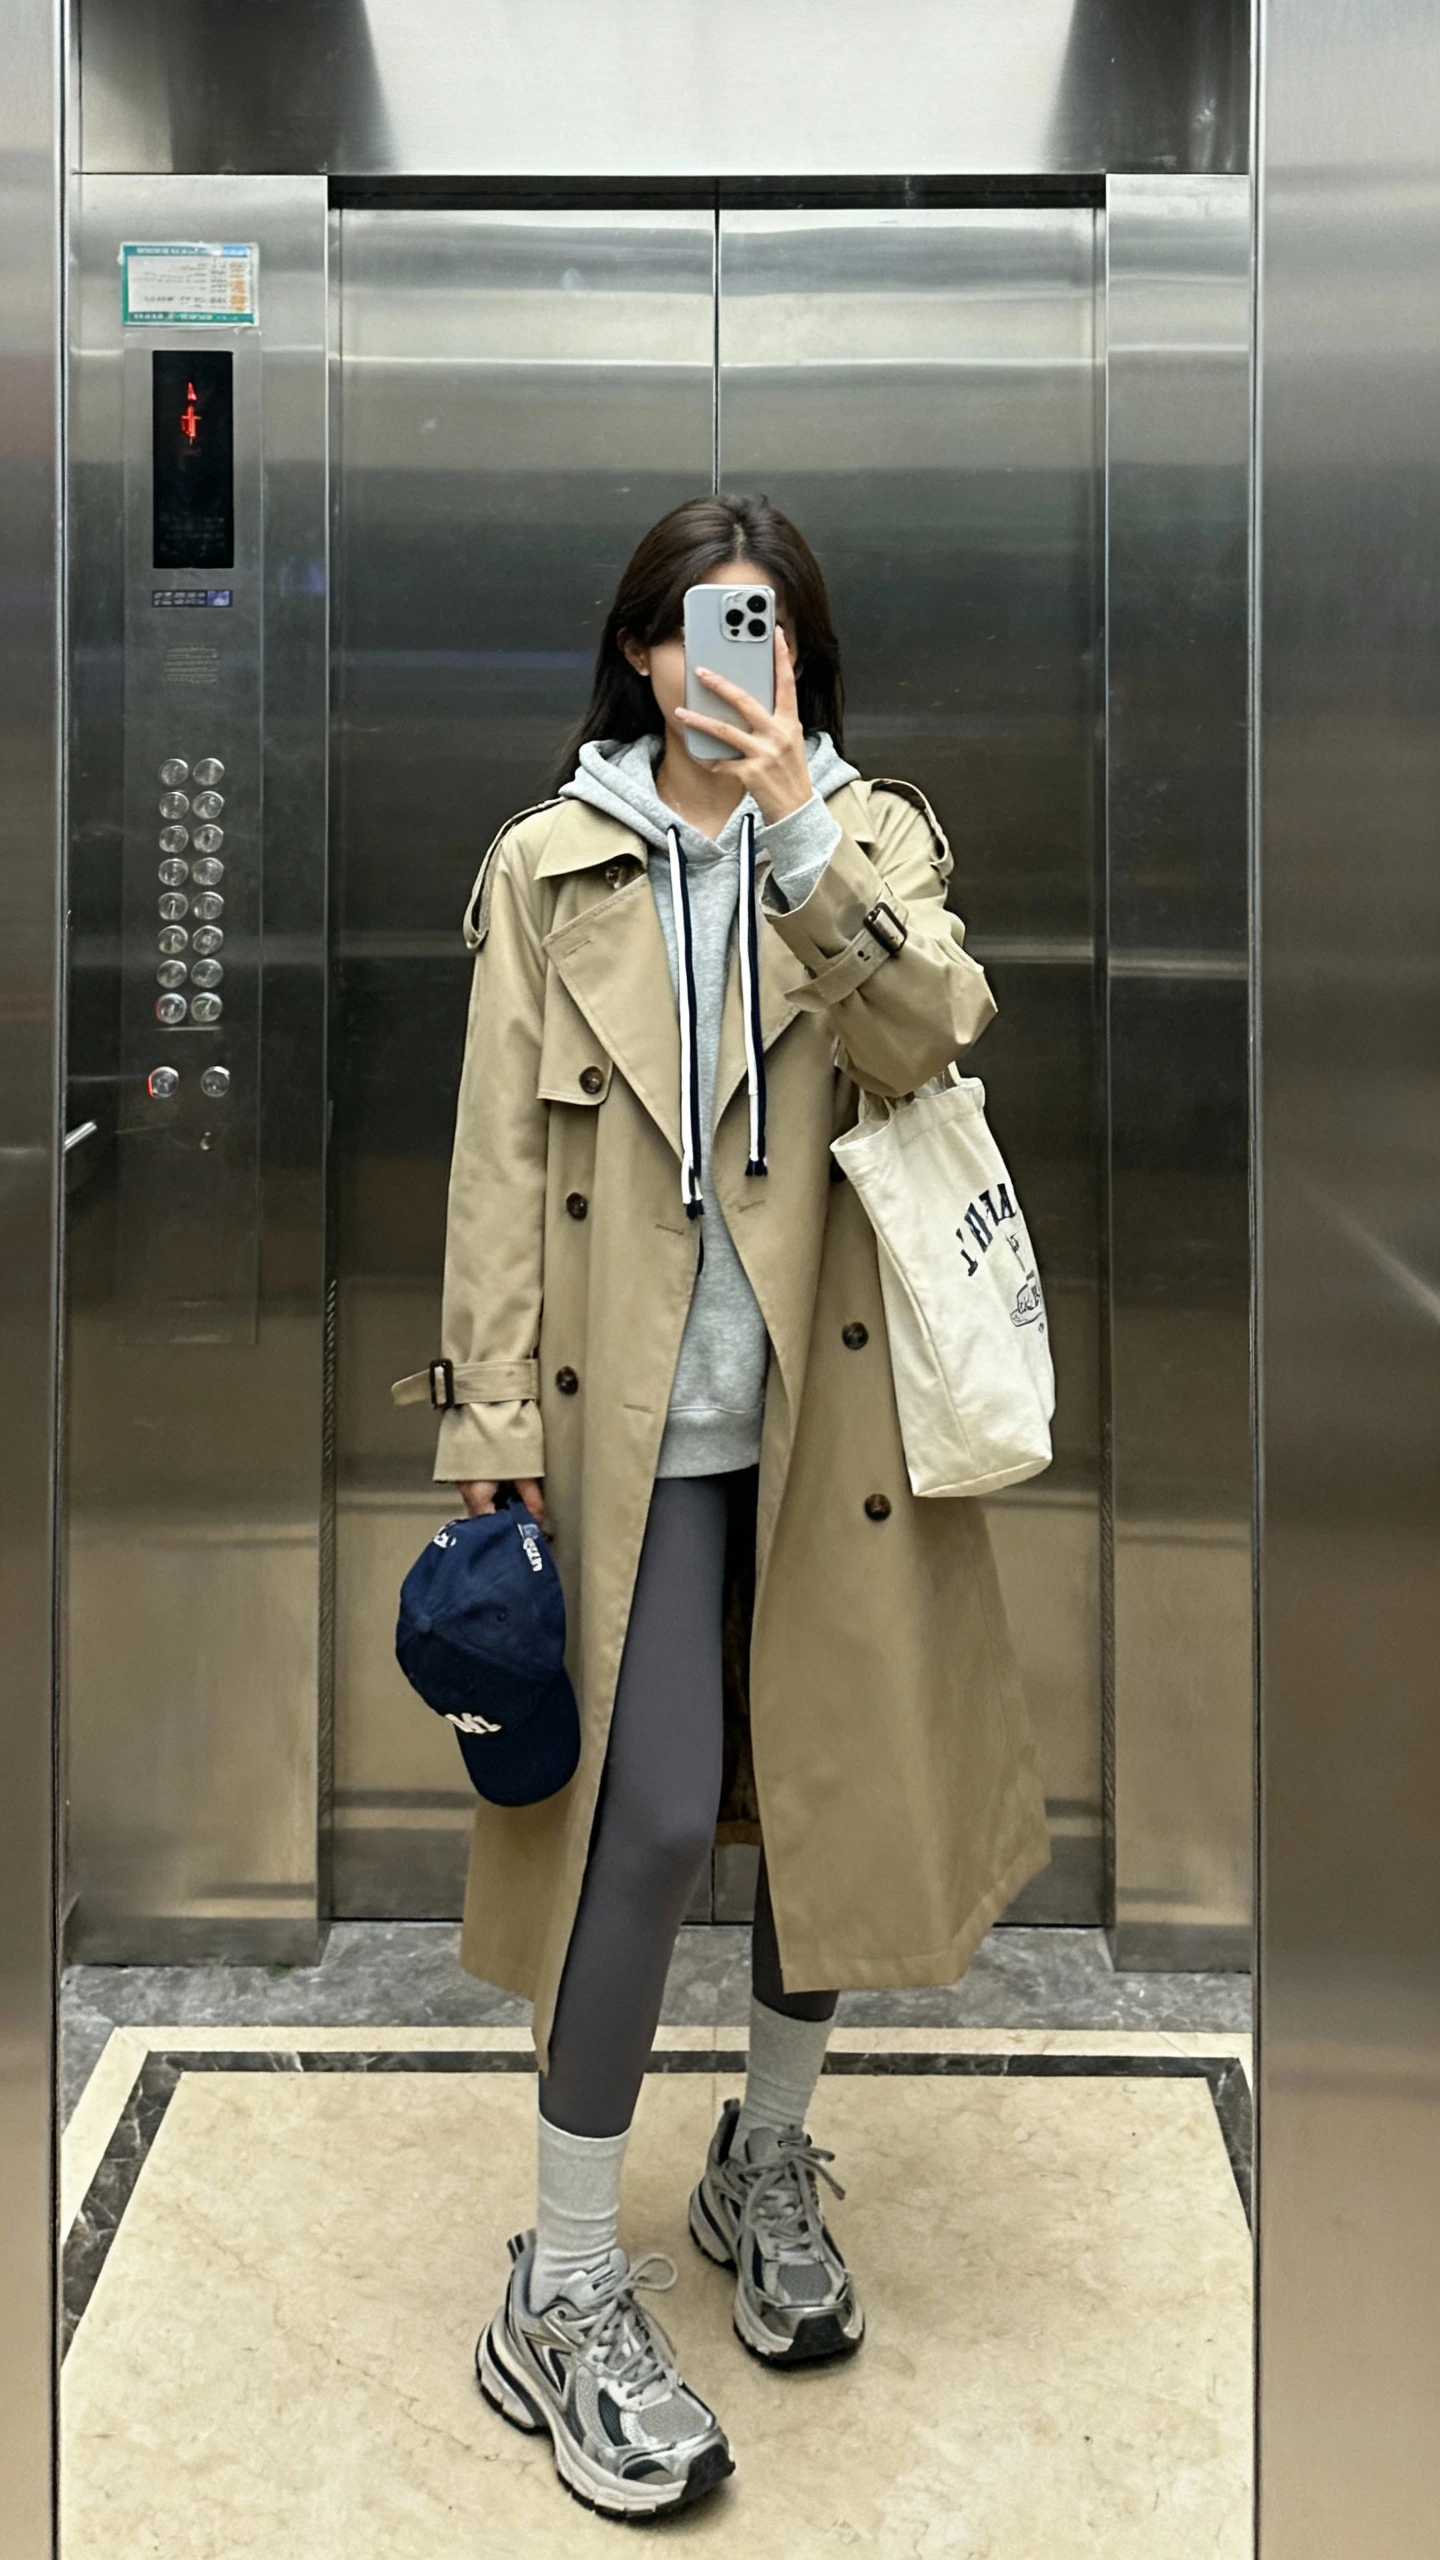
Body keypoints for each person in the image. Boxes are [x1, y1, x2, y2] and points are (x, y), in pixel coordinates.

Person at [401, 494, 1049, 2520]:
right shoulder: (547, 865)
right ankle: (565, 2275)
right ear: (636, 657)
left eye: (759, 636)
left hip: (828, 1433)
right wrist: (488, 1420)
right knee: (648, 1813)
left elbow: (939, 1023)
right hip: (634, 1440)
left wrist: (798, 841)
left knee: (830, 1793)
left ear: (801, 661)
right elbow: (496, 1162)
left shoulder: (872, 843)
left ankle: (766, 2159)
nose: (724, 671)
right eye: (693, 636)